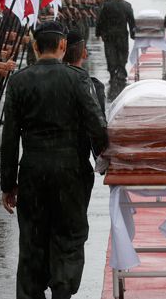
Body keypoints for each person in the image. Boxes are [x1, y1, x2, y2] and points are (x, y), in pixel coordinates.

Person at [0, 21, 108, 299]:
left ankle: (31, 292)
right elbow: (96, 124)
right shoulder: (77, 79)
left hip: (33, 169)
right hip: (70, 170)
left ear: (35, 46)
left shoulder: (19, 80)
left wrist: (8, 183)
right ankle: (62, 288)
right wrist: (103, 157)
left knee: (33, 239)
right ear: (63, 46)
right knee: (69, 236)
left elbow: (10, 137)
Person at [62, 29, 106, 206]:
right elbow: (96, 125)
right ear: (84, 53)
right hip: (77, 162)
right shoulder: (90, 85)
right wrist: (102, 157)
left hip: (39, 165)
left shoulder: (33, 81)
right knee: (75, 224)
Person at [95, 0, 135, 93]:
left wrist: (98, 32)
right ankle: (121, 71)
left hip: (109, 35)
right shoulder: (127, 6)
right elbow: (131, 22)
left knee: (110, 54)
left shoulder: (107, 6)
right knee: (122, 53)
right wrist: (133, 33)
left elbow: (101, 20)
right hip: (122, 35)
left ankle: (112, 73)